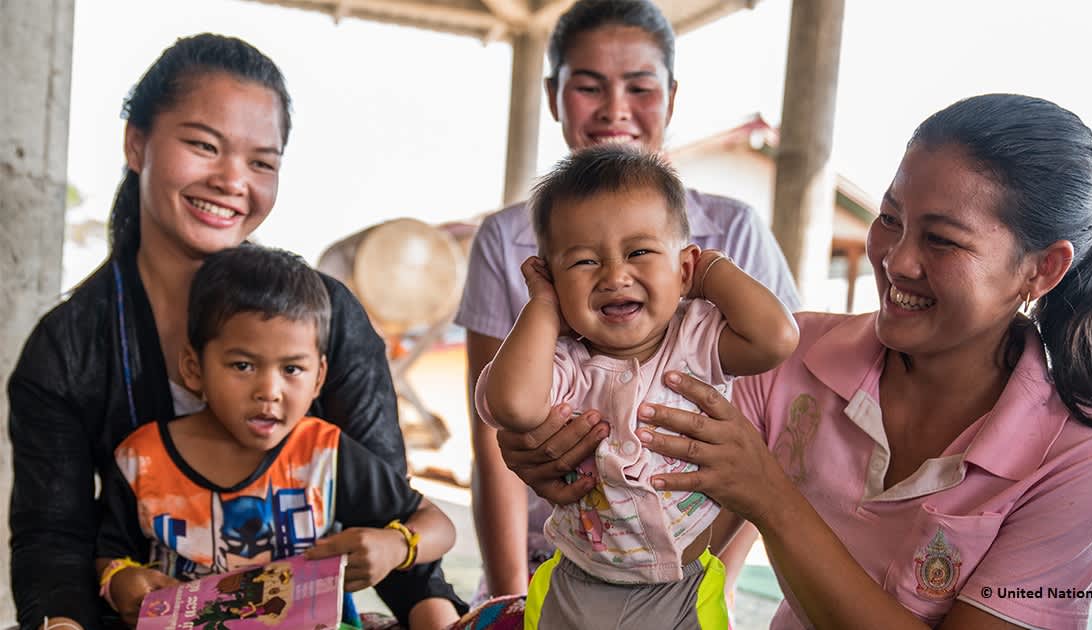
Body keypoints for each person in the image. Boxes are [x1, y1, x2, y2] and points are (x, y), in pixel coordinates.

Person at [499, 93, 1092, 629]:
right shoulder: (793, 359)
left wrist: (771, 496)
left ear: (1042, 270)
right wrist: (540, 445)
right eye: (890, 218)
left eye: (942, 241)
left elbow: (752, 488)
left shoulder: (1083, 459)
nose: (896, 258)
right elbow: (622, 394)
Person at [7, 34, 465, 630]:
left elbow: (384, 513)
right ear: (136, 143)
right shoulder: (68, 348)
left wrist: (437, 614)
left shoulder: (329, 317)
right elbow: (54, 542)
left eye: (261, 162)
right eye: (203, 145)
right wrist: (100, 598)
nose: (231, 180)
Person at [454, 0, 802, 605]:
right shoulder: (508, 243)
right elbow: (494, 432)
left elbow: (781, 412)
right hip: (563, 553)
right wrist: (508, 592)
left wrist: (711, 572)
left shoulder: (732, 237)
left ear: (670, 94)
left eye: (638, 86)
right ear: (553, 94)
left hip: (691, 558)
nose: (614, 107)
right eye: (588, 86)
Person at [475, 146, 798, 627]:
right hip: (575, 582)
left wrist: (708, 271)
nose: (614, 275)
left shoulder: (696, 339)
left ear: (682, 268)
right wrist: (542, 306)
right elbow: (512, 407)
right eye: (583, 262)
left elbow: (777, 338)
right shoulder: (565, 361)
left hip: (683, 588)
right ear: (552, 277)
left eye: (640, 252)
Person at [94, 245, 461, 628]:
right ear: (193, 367)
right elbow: (109, 553)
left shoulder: (324, 455)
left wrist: (397, 546)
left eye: (291, 369)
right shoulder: (142, 459)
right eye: (243, 365)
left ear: (319, 377)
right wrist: (119, 579)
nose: (269, 390)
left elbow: (437, 524)